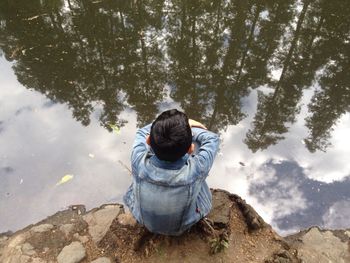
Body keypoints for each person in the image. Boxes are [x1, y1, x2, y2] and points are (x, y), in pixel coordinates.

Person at [123, 109, 220, 235]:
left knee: (156, 148)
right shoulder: (197, 168)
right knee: (198, 146)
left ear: (148, 141)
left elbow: (142, 132)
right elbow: (213, 138)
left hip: (142, 219)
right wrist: (187, 128)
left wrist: (168, 127)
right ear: (190, 149)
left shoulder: (137, 158)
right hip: (180, 227)